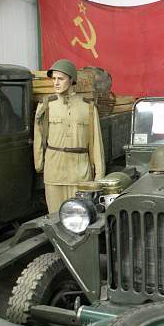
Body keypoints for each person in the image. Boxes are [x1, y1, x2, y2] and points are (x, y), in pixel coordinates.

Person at [33, 59, 105, 213]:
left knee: (81, 218)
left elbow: (96, 142)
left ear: (71, 80)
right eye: (54, 79)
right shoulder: (46, 105)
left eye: (61, 79)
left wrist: (99, 175)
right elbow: (38, 136)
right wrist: (39, 164)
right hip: (54, 173)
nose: (56, 83)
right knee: (55, 218)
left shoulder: (88, 106)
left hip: (80, 174)